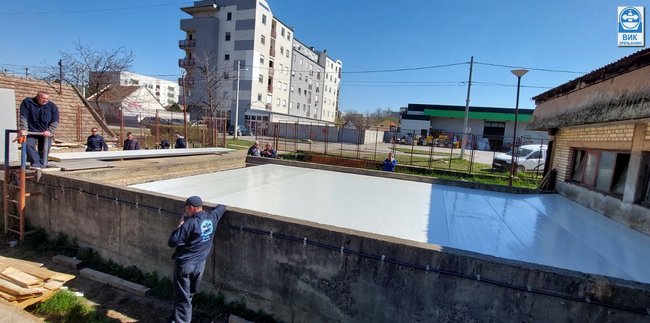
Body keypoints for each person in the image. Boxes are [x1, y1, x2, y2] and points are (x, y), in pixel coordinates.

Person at [168, 196, 226, 323]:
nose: (185, 212)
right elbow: (222, 207)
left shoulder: (189, 224)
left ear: (191, 208)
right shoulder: (212, 217)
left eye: (186, 209)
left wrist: (180, 224)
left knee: (182, 298)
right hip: (200, 266)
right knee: (188, 295)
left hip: (185, 266)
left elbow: (172, 241)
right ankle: (174, 320)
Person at [19, 91, 59, 168]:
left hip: (45, 131)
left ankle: (43, 163)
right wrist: (23, 128)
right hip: (31, 130)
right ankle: (35, 162)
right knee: (28, 145)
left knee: (45, 148)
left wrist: (50, 131)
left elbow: (55, 120)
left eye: (47, 99)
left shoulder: (52, 106)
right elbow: (23, 116)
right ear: (37, 97)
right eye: (43, 98)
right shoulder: (28, 102)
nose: (45, 100)